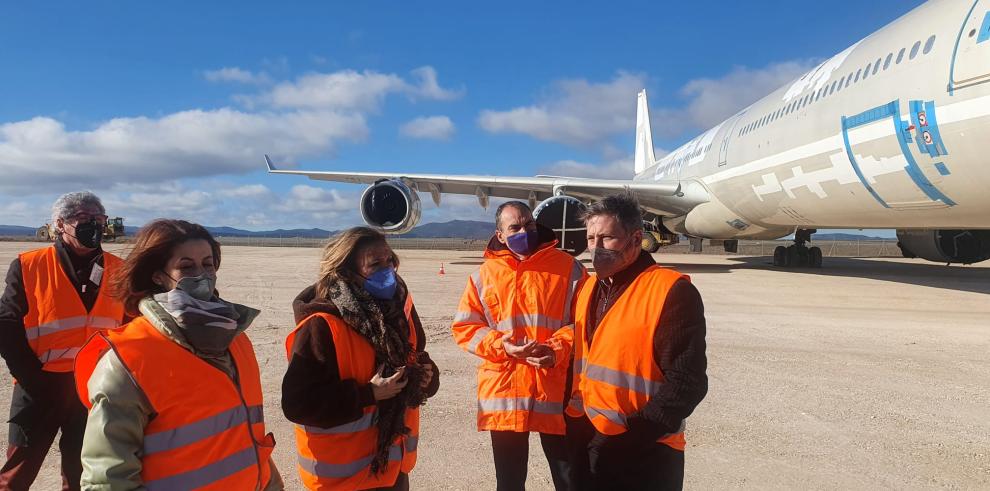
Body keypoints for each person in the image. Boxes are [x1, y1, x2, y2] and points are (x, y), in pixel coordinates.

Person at [74, 219, 282, 490]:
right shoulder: (130, 358)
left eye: (208, 264)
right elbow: (108, 479)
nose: (201, 275)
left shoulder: (237, 341)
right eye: (186, 266)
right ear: (158, 275)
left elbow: (248, 438)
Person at [565, 193, 708, 491]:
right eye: (591, 238)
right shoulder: (589, 287)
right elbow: (588, 341)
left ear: (635, 239)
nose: (596, 247)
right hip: (591, 436)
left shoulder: (670, 291)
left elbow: (686, 382)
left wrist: (633, 435)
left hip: (646, 447)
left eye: (607, 238)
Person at [282, 226, 439, 490]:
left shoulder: (400, 311)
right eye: (375, 264)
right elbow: (298, 404)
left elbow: (419, 356)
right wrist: (369, 394)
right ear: (346, 272)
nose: (387, 270)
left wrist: (427, 377)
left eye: (390, 261)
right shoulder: (321, 325)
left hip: (393, 467)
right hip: (346, 478)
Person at [452, 201, 587, 491]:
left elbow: (585, 322)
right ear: (500, 234)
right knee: (509, 482)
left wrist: (556, 350)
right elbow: (465, 327)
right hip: (505, 391)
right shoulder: (483, 276)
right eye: (515, 227)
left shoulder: (569, 268)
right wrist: (501, 345)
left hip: (554, 386)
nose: (524, 231)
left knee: (570, 478)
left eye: (529, 224)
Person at [0, 191, 126, 490]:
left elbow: (134, 322)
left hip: (94, 387)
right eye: (84, 219)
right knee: (18, 471)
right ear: (60, 224)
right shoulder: (30, 265)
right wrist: (30, 376)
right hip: (39, 386)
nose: (94, 226)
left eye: (99, 220)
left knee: (82, 470)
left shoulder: (120, 269)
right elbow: (6, 322)